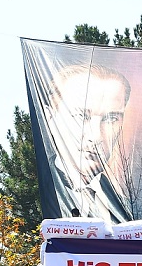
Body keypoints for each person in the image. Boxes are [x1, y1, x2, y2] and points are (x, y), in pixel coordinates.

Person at [42, 63, 136, 223]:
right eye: (81, 116)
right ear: (50, 118)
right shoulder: (35, 192)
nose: (96, 136)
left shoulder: (126, 208)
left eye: (111, 118)